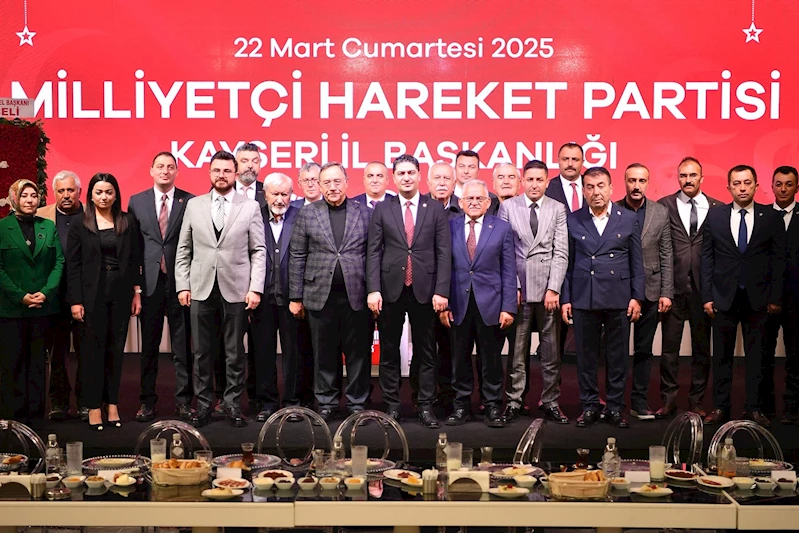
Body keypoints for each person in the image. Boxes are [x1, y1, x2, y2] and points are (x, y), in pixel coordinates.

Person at [175, 150, 266, 428]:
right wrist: (182, 285)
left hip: (237, 289)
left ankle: (232, 404)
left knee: (234, 352)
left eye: (227, 171)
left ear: (235, 174)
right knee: (202, 352)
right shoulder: (194, 205)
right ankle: (203, 405)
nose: (221, 175)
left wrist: (255, 288)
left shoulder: (250, 206)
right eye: (217, 170)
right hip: (200, 288)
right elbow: (184, 249)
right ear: (209, 172)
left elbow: (258, 250)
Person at [367, 154, 452, 428]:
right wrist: (373, 289)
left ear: (419, 176)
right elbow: (373, 251)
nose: (406, 177)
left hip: (426, 290)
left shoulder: (435, 208)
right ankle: (392, 405)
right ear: (394, 177)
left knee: (427, 351)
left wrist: (442, 290)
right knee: (389, 350)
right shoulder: (383, 208)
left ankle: (425, 405)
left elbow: (444, 252)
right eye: (401, 173)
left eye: (411, 173)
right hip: (390, 289)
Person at [701, 165, 785, 427]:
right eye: (736, 183)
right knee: (722, 356)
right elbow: (706, 258)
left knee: (757, 357)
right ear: (728, 187)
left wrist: (775, 297)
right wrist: (707, 296)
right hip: (723, 297)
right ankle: (720, 407)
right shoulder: (715, 216)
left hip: (758, 298)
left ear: (756, 186)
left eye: (747, 182)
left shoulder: (771, 217)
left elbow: (778, 260)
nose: (742, 188)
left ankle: (754, 408)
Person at [561, 167, 644, 429]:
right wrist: (566, 298)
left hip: (619, 296)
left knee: (617, 357)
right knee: (585, 357)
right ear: (583, 190)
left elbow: (636, 261)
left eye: (601, 186)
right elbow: (567, 262)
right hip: (584, 295)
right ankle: (589, 406)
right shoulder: (573, 219)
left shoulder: (628, 218)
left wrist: (637, 297)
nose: (596, 192)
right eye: (590, 187)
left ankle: (615, 407)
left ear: (610, 188)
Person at [289, 163, 372, 422]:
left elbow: (374, 255)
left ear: (347, 182)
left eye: (337, 181)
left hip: (357, 295)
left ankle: (357, 403)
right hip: (318, 295)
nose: (332, 187)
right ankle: (326, 402)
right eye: (327, 182)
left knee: (358, 353)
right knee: (324, 352)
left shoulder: (365, 212)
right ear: (319, 185)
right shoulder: (308, 213)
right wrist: (295, 296)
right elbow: (297, 254)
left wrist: (375, 292)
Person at [67, 173, 142, 430]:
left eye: (109, 192)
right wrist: (76, 300)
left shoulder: (127, 221)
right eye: (99, 192)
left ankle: (112, 405)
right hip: (91, 296)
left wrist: (137, 292)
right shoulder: (80, 223)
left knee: (115, 352)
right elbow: (73, 265)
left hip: (120, 293)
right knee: (92, 353)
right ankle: (93, 407)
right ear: (90, 195)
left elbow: (135, 259)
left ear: (116, 194)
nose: (104, 197)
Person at [441, 179, 516, 428]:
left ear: (488, 203)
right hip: (457, 303)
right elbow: (443, 268)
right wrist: (444, 304)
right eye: (469, 199)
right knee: (459, 358)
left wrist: (508, 307)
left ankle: (492, 406)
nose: (474, 202)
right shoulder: (449, 226)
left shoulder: (502, 228)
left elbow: (508, 270)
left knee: (491, 359)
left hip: (491, 304)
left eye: (479, 199)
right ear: (461, 202)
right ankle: (461, 405)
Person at [498, 160, 569, 424]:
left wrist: (554, 288)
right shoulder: (508, 207)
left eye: (540, 180)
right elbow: (504, 253)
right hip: (519, 289)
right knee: (517, 352)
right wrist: (513, 287)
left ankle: (551, 401)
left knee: (551, 353)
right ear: (522, 181)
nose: (535, 185)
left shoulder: (557, 208)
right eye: (530, 179)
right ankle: (514, 401)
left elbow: (561, 251)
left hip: (547, 290)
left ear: (547, 182)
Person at [128, 152, 194, 422]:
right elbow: (133, 247)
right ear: (151, 170)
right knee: (149, 348)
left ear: (177, 171)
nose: (165, 171)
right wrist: (135, 288)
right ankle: (147, 402)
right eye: (160, 166)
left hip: (181, 284)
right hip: (149, 284)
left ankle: (184, 402)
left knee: (183, 348)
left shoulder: (189, 201)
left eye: (170, 167)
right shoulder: (137, 201)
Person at [656, 157, 722, 418]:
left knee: (701, 349)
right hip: (672, 288)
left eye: (693, 175)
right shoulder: (665, 205)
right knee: (669, 349)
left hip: (703, 291)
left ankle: (696, 400)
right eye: (683, 175)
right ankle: (669, 400)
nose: (688, 180)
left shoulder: (717, 208)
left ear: (701, 178)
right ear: (678, 177)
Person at [0, 179, 64, 422]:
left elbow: (59, 262)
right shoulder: (2, 227)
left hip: (42, 308)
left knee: (38, 364)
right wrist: (20, 296)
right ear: (14, 198)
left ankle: (36, 417)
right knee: (12, 363)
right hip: (11, 310)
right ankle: (12, 419)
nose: (30, 200)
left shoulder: (48, 226)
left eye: (34, 195)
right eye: (24, 195)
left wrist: (46, 292)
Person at [620, 164, 673, 420]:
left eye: (641, 181)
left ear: (648, 183)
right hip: (620, 290)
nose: (636, 185)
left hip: (652, 291)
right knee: (617, 352)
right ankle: (615, 402)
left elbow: (666, 253)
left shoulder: (660, 212)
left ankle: (639, 402)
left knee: (644, 350)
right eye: (632, 180)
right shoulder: (614, 210)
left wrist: (666, 292)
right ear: (625, 182)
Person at [251, 173, 303, 421]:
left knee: (294, 354)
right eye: (275, 194)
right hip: (261, 297)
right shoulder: (254, 216)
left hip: (292, 298)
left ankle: (293, 402)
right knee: (263, 352)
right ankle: (267, 402)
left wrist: (299, 296)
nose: (280, 199)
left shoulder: (301, 216)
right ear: (265, 194)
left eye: (285, 194)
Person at [37, 170, 85, 420]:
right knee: (56, 352)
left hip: (85, 295)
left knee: (87, 351)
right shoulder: (40, 215)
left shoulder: (93, 214)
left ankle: (86, 402)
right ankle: (58, 402)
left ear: (79, 191)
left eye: (70, 190)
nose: (66, 195)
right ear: (54, 193)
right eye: (61, 190)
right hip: (53, 295)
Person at [762, 166, 799, 422]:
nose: (783, 188)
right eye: (779, 184)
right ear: (772, 186)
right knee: (763, 356)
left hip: (797, 300)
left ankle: (793, 408)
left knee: (795, 357)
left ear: (796, 187)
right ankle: (766, 408)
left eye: (789, 184)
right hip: (766, 299)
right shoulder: (762, 215)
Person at [288, 161, 322, 408]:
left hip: (324, 289)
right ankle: (302, 397)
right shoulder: (291, 210)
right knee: (300, 347)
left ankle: (324, 398)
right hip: (298, 288)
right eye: (306, 180)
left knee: (323, 349)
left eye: (315, 179)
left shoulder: (335, 207)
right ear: (299, 184)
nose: (311, 184)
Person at [546, 142, 584, 213]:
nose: (570, 164)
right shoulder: (547, 188)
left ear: (582, 162)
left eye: (575, 159)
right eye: (565, 159)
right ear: (558, 161)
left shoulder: (591, 185)